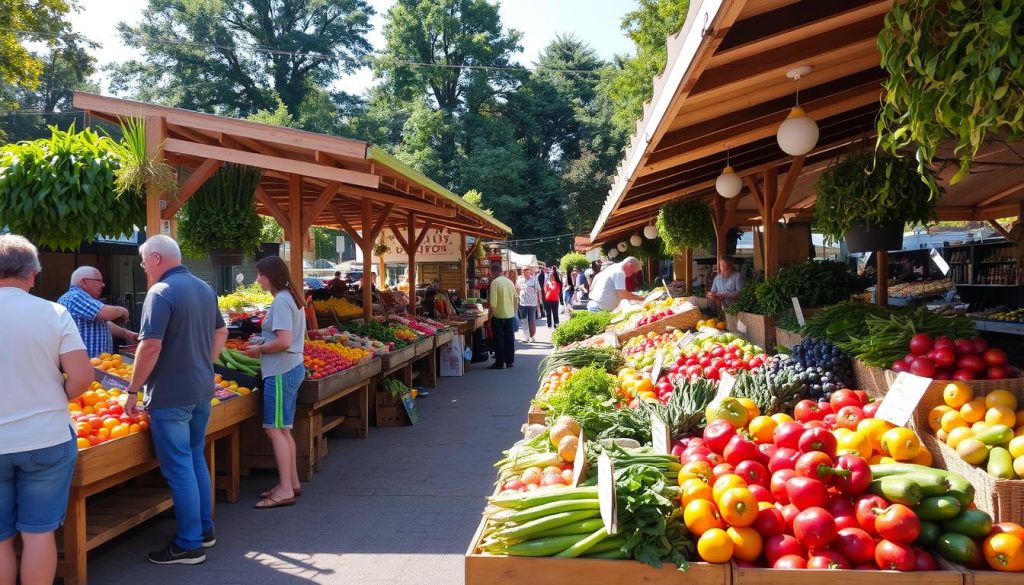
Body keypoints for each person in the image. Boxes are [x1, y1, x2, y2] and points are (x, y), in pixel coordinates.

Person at [125, 235, 228, 565]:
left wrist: (132, 389)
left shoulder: (160, 292)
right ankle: (204, 530)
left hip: (170, 394)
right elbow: (221, 333)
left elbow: (150, 346)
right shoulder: (204, 287)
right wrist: (203, 362)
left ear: (156, 258)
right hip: (201, 389)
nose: (144, 269)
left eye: (143, 262)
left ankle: (188, 543)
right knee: (195, 459)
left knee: (180, 467)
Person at [0, 235, 93, 585]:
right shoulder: (54, 313)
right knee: (38, 534)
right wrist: (52, 397)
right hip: (47, 438)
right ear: (33, 275)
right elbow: (83, 377)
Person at [244, 256, 306, 509]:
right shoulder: (290, 297)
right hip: (291, 367)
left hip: (280, 370)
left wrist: (259, 350)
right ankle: (291, 482)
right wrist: (262, 340)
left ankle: (284, 490)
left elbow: (283, 342)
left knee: (274, 429)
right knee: (284, 429)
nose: (258, 279)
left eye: (260, 274)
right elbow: (281, 337)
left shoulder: (281, 301)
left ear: (271, 275)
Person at [58, 266, 138, 357]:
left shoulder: (85, 299)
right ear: (84, 282)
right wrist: (122, 310)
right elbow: (104, 312)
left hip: (97, 364)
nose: (103, 285)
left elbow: (105, 323)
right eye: (99, 281)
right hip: (85, 365)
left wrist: (127, 334)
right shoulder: (74, 297)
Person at [487, 263, 517, 370]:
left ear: (494, 272)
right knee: (509, 338)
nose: (490, 274)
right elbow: (515, 298)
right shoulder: (510, 282)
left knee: (499, 339)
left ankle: (500, 362)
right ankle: (510, 361)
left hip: (498, 315)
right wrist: (514, 311)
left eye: (490, 272)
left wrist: (489, 317)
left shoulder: (494, 283)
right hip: (510, 315)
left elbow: (493, 303)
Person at [516, 267, 542, 342]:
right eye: (524, 271)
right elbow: (517, 289)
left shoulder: (534, 280)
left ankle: (532, 336)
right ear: (522, 272)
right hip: (522, 302)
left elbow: (539, 290)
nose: (525, 273)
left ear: (529, 271)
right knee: (523, 320)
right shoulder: (519, 280)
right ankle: (526, 336)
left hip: (532, 303)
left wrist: (540, 300)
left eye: (527, 271)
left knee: (531, 320)